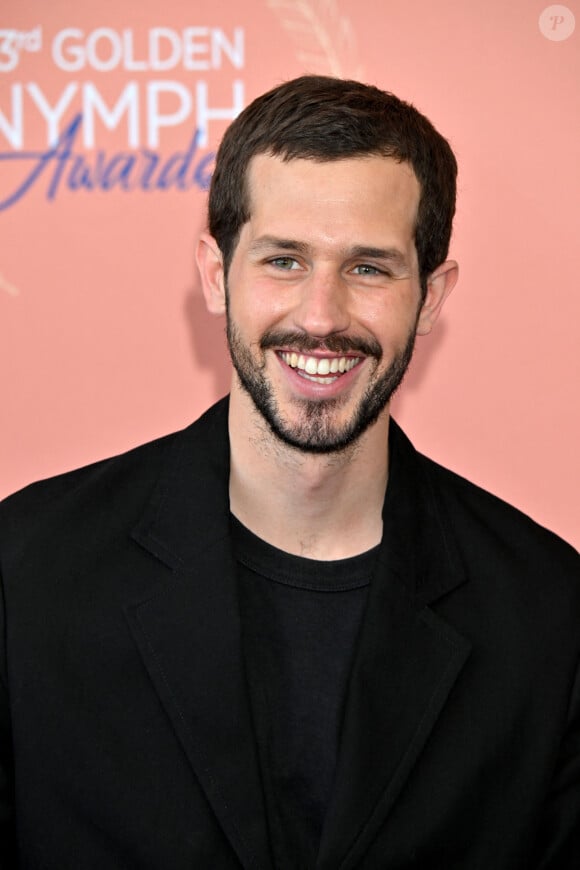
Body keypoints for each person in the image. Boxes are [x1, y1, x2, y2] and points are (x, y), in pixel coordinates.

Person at [0, 76, 578, 870]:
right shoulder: (28, 571)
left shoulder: (547, 611)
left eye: (369, 268)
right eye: (284, 260)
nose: (320, 314)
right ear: (215, 272)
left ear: (432, 297)